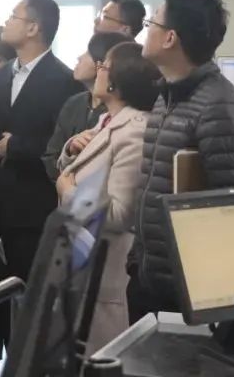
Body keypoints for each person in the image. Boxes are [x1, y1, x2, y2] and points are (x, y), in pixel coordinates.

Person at [128, 0, 234, 320]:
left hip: (190, 292)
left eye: (151, 22)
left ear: (170, 37)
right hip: (151, 280)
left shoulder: (221, 107)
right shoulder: (166, 97)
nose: (145, 31)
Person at [55, 42, 160, 352]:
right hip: (81, 264)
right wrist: (70, 148)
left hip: (105, 272)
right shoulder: (106, 121)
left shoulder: (135, 130)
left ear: (116, 81)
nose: (98, 70)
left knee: (98, 357)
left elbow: (120, 214)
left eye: (103, 66)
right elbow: (77, 170)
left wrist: (68, 192)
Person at [0, 0, 84, 279]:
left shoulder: (64, 80)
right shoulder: (2, 75)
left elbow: (65, 145)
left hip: (34, 207)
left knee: (29, 286)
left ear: (33, 28)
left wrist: (17, 146)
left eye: (13, 16)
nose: (6, 22)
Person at [42, 31, 132, 181]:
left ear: (105, 64)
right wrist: (69, 152)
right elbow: (50, 156)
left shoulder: (118, 111)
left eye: (88, 53)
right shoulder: (74, 103)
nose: (79, 57)